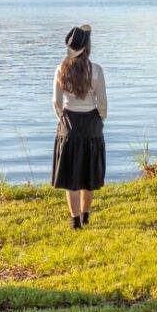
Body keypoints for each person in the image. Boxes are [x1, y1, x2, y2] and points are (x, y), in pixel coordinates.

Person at [51, 23, 107, 229]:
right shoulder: (96, 70)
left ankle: (75, 220)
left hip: (69, 125)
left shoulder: (60, 69)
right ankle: (85, 215)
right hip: (91, 124)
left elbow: (56, 103)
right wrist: (100, 120)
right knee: (88, 173)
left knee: (71, 176)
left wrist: (63, 120)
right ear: (87, 47)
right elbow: (102, 103)